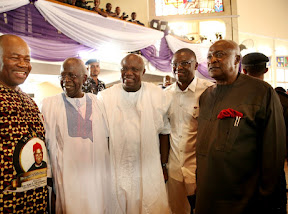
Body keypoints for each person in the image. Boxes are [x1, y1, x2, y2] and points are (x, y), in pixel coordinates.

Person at [196, 40, 286, 214]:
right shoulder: (206, 96)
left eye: (220, 54)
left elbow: (274, 151)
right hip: (207, 196)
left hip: (243, 199)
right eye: (209, 56)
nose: (212, 60)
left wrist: (266, 196)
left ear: (237, 59)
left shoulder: (261, 92)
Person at [0, 34, 48, 212]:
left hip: (35, 203)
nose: (23, 64)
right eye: (15, 57)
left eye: (27, 59)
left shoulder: (30, 102)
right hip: (1, 205)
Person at [98, 54, 171, 214]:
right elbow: (102, 137)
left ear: (143, 71)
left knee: (149, 206)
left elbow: (165, 132)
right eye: (124, 68)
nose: (128, 73)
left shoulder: (157, 95)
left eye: (134, 69)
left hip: (148, 168)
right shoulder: (105, 97)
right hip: (118, 167)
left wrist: (164, 164)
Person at [41, 57, 110, 213]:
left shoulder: (99, 103)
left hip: (95, 179)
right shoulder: (49, 104)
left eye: (72, 75)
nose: (66, 80)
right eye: (63, 75)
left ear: (84, 78)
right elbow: (45, 145)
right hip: (66, 180)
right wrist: (49, 179)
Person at [165, 48, 214, 214]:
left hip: (199, 169)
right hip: (174, 170)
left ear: (196, 65)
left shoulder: (209, 91)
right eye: (175, 64)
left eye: (185, 63)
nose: (179, 67)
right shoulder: (165, 95)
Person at [242, 52, 287, 213]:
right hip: (274, 169)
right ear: (266, 70)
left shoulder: (238, 99)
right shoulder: (281, 99)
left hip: (246, 172)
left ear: (244, 71)